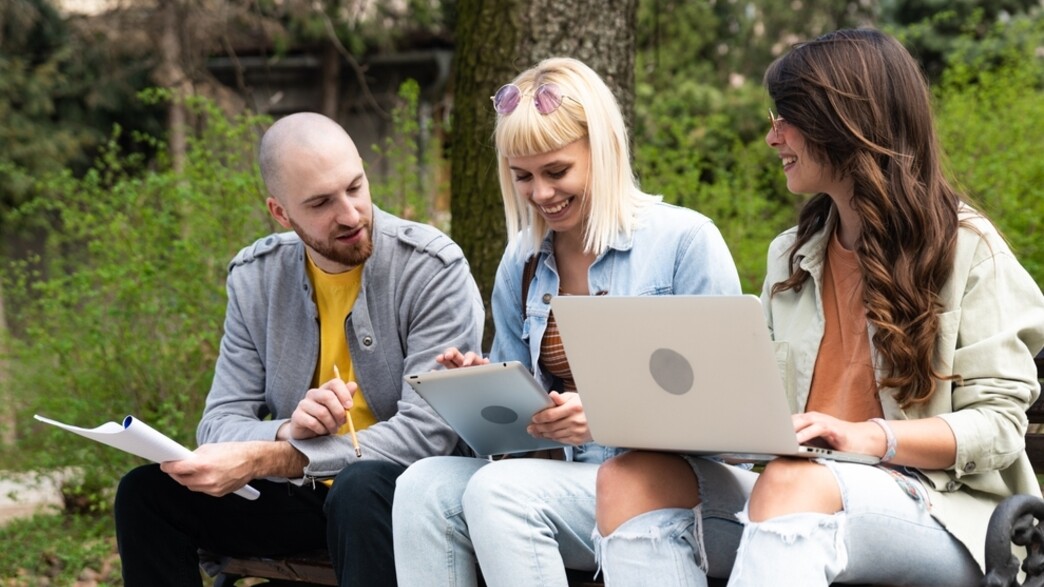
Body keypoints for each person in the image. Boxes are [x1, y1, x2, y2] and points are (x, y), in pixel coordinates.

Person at [592, 27, 1044, 587]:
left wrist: (867, 436)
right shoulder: (792, 254)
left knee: (789, 483)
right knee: (630, 477)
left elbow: (999, 426)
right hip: (802, 493)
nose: (771, 137)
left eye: (786, 118)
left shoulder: (969, 250)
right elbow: (753, 410)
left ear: (845, 124)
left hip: (944, 514)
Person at [391, 57, 742, 586]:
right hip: (569, 482)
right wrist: (490, 392)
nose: (540, 194)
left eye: (557, 171)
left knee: (500, 492)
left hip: (680, 490)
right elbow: (524, 441)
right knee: (422, 486)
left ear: (602, 152)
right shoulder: (523, 261)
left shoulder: (684, 243)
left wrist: (608, 415)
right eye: (523, 177)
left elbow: (731, 417)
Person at [113, 112, 484, 587]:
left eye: (355, 187)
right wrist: (289, 428)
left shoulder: (430, 268)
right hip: (301, 495)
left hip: (397, 493)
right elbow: (218, 422)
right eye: (321, 203)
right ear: (281, 212)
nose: (350, 214)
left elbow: (426, 437)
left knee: (358, 486)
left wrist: (281, 456)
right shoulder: (256, 276)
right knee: (146, 494)